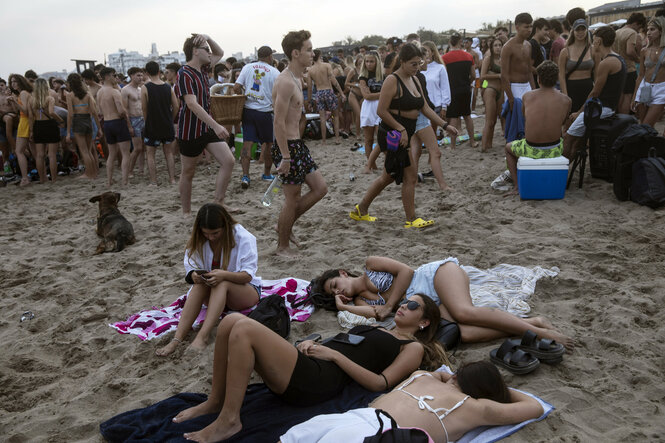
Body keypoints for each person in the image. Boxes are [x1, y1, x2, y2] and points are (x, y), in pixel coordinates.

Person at [172, 293, 447, 442]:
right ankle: (215, 401)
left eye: (412, 305)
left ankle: (230, 419)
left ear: (423, 322)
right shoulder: (380, 327)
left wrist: (334, 357)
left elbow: (380, 383)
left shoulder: (412, 348)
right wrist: (311, 342)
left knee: (243, 327)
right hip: (313, 361)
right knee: (231, 321)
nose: (403, 306)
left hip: (321, 380)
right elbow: (345, 343)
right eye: (405, 301)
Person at [311, 255, 574, 348]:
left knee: (463, 313)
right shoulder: (358, 299)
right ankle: (531, 323)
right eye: (335, 293)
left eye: (336, 284)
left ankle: (538, 332)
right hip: (427, 304)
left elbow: (406, 271)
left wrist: (390, 305)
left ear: (343, 273)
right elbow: (374, 315)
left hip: (433, 277)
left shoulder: (370, 265)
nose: (340, 290)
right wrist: (344, 305)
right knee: (465, 333)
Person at [280, 361, 544, 443]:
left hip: (352, 417)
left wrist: (445, 376)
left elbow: (439, 372)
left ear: (454, 376)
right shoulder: (475, 408)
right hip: (381, 434)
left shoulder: (421, 377)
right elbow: (534, 406)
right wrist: (502, 391)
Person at [350, 44, 458, 229]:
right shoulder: (392, 80)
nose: (417, 67)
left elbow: (424, 107)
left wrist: (445, 125)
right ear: (402, 62)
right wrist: (400, 129)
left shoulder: (414, 79)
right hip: (393, 133)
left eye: (419, 63)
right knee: (410, 176)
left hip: (405, 131)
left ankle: (361, 210)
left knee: (388, 177)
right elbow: (381, 111)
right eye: (413, 64)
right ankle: (411, 219)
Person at [156, 203, 261, 357]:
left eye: (215, 233)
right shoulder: (199, 239)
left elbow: (247, 275)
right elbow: (190, 265)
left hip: (244, 291)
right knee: (200, 284)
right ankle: (177, 339)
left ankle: (203, 336)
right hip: (214, 294)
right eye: (206, 234)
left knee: (222, 282)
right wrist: (194, 275)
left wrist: (223, 275)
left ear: (225, 226)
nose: (210, 237)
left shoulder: (243, 237)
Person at [271, 30, 328, 256]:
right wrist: (285, 156)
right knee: (292, 199)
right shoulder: (285, 81)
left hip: (297, 145)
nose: (312, 53)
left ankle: (283, 226)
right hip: (288, 147)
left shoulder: (298, 78)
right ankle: (282, 245)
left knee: (320, 188)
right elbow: (277, 122)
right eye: (309, 49)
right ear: (296, 53)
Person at [175, 33, 235, 216]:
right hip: (189, 130)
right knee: (188, 172)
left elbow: (220, 52)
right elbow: (191, 104)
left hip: (205, 127)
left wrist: (207, 38)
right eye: (205, 50)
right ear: (195, 52)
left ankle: (219, 202)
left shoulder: (203, 69)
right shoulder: (184, 73)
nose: (210, 53)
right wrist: (216, 125)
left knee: (229, 161)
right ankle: (186, 212)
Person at [505, 61, 571, 193]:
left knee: (508, 148)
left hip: (531, 148)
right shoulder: (566, 100)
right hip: (555, 149)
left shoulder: (527, 96)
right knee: (567, 141)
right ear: (556, 78)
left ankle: (517, 186)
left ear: (539, 78)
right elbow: (563, 123)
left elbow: (525, 117)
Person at [564, 26, 626, 159]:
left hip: (601, 108)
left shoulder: (607, 62)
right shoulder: (619, 58)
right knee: (577, 141)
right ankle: (566, 165)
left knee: (568, 137)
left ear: (598, 41)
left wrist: (579, 112)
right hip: (608, 107)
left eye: (594, 41)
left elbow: (595, 93)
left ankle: (559, 170)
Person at [233, 45, 280, 188]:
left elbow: (236, 87)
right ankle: (266, 173)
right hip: (264, 112)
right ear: (270, 56)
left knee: (248, 143)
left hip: (248, 111)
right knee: (269, 144)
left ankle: (246, 176)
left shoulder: (247, 67)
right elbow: (278, 94)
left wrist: (246, 95)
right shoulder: (274, 72)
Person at [412, 41, 451, 190]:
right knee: (435, 152)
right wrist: (444, 123)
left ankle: (414, 179)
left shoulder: (411, 76)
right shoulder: (420, 77)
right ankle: (443, 185)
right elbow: (425, 103)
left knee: (416, 150)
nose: (426, 61)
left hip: (414, 118)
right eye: (424, 59)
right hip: (422, 118)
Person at [141, 61, 178, 185]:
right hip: (167, 124)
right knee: (169, 153)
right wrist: (170, 118)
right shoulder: (168, 87)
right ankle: (172, 179)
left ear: (146, 73)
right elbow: (176, 106)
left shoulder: (145, 87)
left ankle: (153, 181)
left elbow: (144, 108)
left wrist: (147, 122)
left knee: (151, 154)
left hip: (152, 125)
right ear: (159, 71)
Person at [97, 67, 133, 186]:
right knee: (125, 153)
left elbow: (100, 111)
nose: (116, 78)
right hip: (118, 122)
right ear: (107, 76)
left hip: (107, 123)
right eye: (114, 75)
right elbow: (121, 111)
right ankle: (124, 181)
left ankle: (109, 181)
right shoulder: (114, 91)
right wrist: (128, 124)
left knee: (111, 154)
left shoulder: (100, 92)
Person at [66, 73, 102, 180]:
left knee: (84, 151)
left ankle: (89, 174)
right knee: (89, 150)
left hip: (78, 121)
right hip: (88, 120)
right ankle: (93, 172)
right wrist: (99, 128)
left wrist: (68, 132)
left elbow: (70, 114)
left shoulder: (70, 95)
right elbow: (94, 112)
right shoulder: (87, 94)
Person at [442, 34, 476, 148]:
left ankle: (453, 145)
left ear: (449, 42)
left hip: (452, 89)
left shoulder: (444, 58)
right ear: (460, 42)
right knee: (467, 115)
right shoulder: (468, 56)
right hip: (465, 88)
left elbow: (444, 76)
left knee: (454, 117)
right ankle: (472, 141)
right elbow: (473, 75)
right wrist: (468, 82)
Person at [28, 78, 65, 183]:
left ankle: (43, 178)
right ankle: (54, 179)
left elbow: (30, 117)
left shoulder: (31, 100)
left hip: (38, 125)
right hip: (49, 125)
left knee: (40, 155)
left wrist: (31, 131)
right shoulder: (49, 99)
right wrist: (61, 120)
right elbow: (51, 112)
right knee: (52, 154)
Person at [632, 17, 665, 128]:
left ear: (661, 31)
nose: (649, 32)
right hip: (645, 87)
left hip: (661, 89)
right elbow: (640, 74)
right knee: (643, 125)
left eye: (653, 29)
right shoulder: (644, 50)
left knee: (647, 125)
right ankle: (649, 145)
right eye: (648, 30)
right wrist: (634, 96)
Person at [558, 19, 594, 115]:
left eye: (583, 29)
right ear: (573, 31)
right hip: (571, 88)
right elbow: (561, 75)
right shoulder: (565, 51)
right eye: (578, 29)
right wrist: (565, 95)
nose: (580, 32)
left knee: (588, 118)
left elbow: (598, 73)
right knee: (570, 119)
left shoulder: (593, 50)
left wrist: (595, 92)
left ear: (587, 31)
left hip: (588, 88)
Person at [309, 49, 346, 142]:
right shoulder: (326, 65)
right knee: (335, 116)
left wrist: (309, 100)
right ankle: (337, 138)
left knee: (322, 118)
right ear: (320, 55)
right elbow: (334, 80)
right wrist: (341, 93)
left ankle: (324, 140)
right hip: (329, 91)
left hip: (319, 92)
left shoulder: (310, 70)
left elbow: (310, 87)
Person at [501, 13, 536, 111]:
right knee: (516, 121)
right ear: (517, 27)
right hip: (514, 87)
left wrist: (534, 90)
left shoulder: (528, 45)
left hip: (527, 85)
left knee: (530, 120)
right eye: (526, 27)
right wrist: (511, 98)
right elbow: (504, 75)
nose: (529, 30)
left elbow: (529, 70)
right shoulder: (508, 47)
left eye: (531, 26)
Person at [613, 13, 646, 114]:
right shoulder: (632, 33)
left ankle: (618, 119)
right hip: (628, 68)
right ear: (636, 23)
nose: (638, 31)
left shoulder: (617, 31)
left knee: (619, 96)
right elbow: (630, 51)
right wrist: (638, 59)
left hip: (616, 68)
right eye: (639, 28)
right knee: (627, 96)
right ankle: (624, 120)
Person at [358, 51, 384, 172]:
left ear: (377, 62)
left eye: (371, 61)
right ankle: (371, 165)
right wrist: (383, 94)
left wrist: (375, 94)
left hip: (381, 107)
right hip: (368, 108)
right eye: (366, 61)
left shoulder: (384, 75)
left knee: (382, 138)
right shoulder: (363, 77)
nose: (368, 64)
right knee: (368, 139)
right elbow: (366, 96)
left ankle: (382, 163)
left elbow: (370, 94)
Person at [8, 74, 33, 186]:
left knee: (19, 151)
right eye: (11, 82)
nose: (13, 84)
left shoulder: (23, 93)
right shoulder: (24, 93)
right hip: (26, 121)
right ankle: (41, 176)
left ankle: (25, 178)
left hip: (25, 122)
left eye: (15, 81)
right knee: (34, 152)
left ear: (20, 82)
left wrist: (14, 101)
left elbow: (25, 111)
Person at [480, 37, 504, 152]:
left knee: (501, 118)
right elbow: (482, 76)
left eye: (500, 45)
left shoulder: (504, 59)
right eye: (495, 45)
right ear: (492, 47)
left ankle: (492, 144)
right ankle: (485, 146)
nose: (498, 47)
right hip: (490, 89)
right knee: (490, 120)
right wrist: (497, 76)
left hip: (502, 90)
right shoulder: (488, 59)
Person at [122, 67, 146, 177]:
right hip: (133, 119)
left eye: (141, 75)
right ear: (131, 76)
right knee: (137, 148)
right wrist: (129, 125)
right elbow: (125, 109)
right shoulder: (126, 90)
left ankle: (141, 170)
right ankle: (130, 170)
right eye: (138, 75)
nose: (140, 77)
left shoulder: (141, 89)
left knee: (144, 147)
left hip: (143, 118)